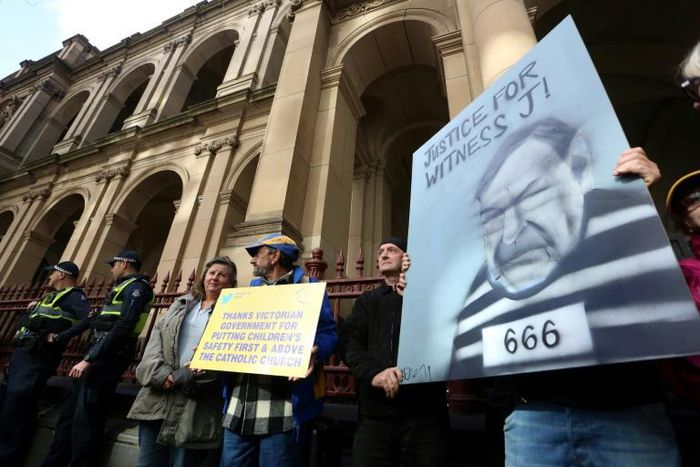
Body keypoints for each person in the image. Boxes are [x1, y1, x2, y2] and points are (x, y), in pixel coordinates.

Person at [446, 118, 686, 466]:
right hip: (533, 417)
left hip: (629, 415)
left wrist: (644, 208)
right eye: (494, 214)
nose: (511, 233)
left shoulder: (624, 231)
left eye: (532, 195)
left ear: (578, 170)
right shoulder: (477, 295)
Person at [220, 234, 337, 467]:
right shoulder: (248, 291)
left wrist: (315, 350)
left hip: (282, 408)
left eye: (257, 254)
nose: (252, 261)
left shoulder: (308, 287)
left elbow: (329, 334)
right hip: (239, 404)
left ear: (275, 255)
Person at [340, 237, 448, 467]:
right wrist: (374, 373)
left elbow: (446, 334)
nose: (384, 254)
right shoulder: (366, 302)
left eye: (392, 250)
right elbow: (350, 343)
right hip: (374, 418)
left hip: (424, 417)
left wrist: (416, 297)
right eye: (381, 252)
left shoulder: (430, 295)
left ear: (406, 258)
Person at [42, 250, 154, 467]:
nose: (111, 268)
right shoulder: (121, 287)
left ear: (123, 264)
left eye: (114, 264)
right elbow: (99, 321)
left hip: (107, 358)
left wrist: (90, 358)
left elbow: (123, 327)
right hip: (97, 354)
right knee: (69, 417)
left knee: (87, 419)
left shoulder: (137, 288)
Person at [128, 256, 237, 467]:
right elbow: (156, 339)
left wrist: (184, 376)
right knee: (148, 462)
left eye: (222, 275)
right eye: (212, 273)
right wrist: (162, 375)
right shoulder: (181, 304)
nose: (215, 278)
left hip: (194, 405)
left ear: (231, 283)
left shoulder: (232, 313)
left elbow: (227, 354)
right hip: (158, 398)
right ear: (204, 277)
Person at [0, 262, 90, 467]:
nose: (50, 276)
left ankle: (7, 459)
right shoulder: (49, 297)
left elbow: (89, 318)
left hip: (37, 358)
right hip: (22, 355)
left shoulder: (76, 297)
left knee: (17, 408)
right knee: (9, 406)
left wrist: (59, 338)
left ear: (62, 275)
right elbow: (28, 322)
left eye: (54, 273)